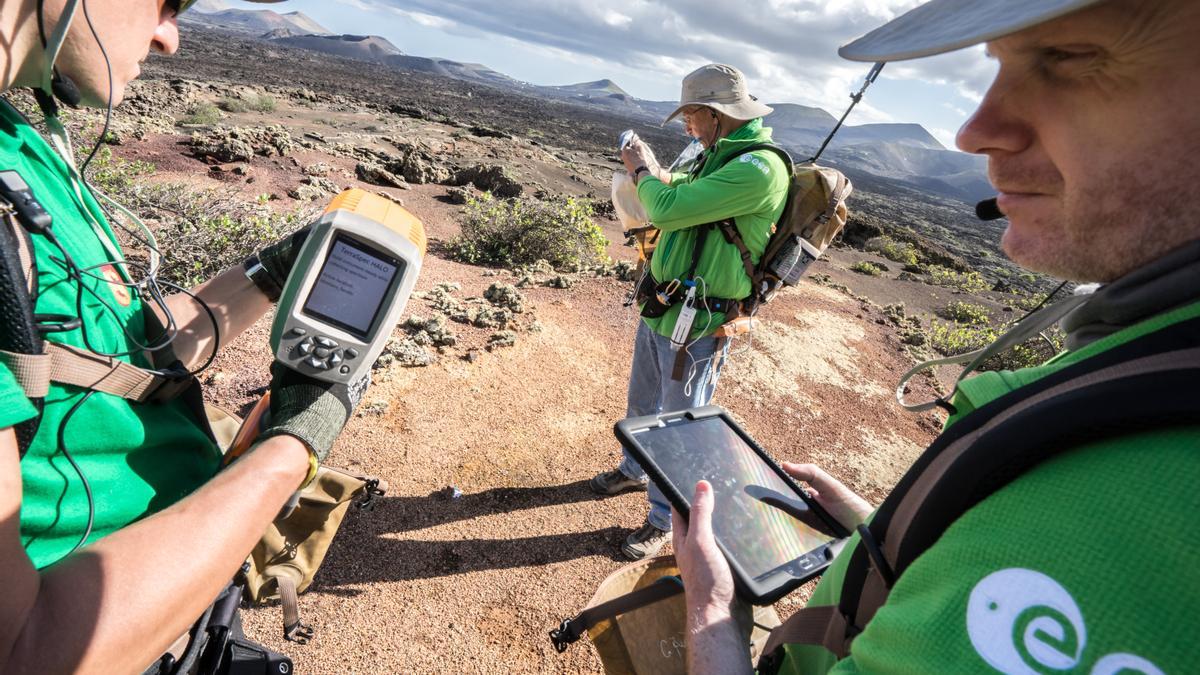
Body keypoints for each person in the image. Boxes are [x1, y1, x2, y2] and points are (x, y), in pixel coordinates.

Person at [673, 0, 1200, 672]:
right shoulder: (1141, 365)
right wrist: (895, 529)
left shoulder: (1149, 493)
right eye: (1002, 66)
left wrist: (712, 612)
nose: (974, 130)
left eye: (1070, 57)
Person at [0, 0, 366, 671]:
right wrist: (291, 448)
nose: (169, 36)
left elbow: (121, 356)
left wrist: (273, 271)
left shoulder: (18, 136)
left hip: (173, 599)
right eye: (168, 1)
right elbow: (26, 648)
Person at [590, 63, 790, 560]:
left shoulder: (757, 169)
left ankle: (664, 517)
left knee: (678, 425)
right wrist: (656, 172)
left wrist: (640, 170)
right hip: (662, 306)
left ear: (718, 114)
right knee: (643, 402)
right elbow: (675, 187)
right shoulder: (714, 156)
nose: (686, 126)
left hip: (701, 323)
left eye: (692, 115)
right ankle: (633, 470)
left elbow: (667, 208)